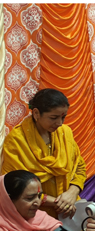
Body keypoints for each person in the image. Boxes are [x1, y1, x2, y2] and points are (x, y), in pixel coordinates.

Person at [2, 88, 85, 219]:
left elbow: (79, 168)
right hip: (35, 213)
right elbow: (15, 185)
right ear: (36, 113)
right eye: (53, 118)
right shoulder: (17, 141)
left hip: (70, 208)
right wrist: (59, 202)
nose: (59, 123)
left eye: (63, 117)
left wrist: (72, 192)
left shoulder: (65, 133)